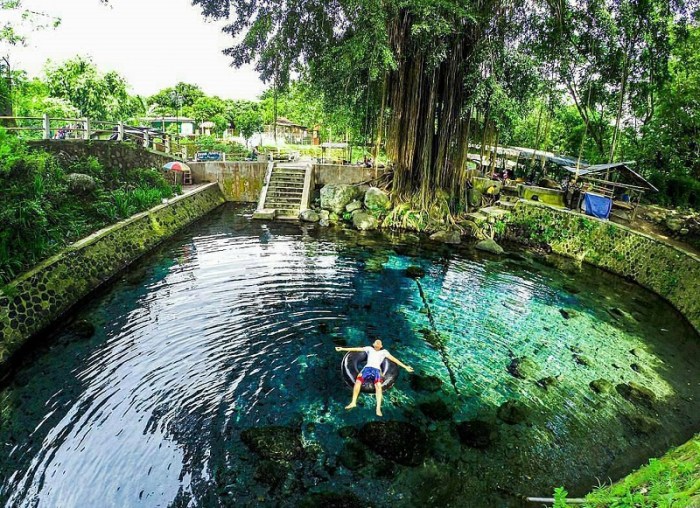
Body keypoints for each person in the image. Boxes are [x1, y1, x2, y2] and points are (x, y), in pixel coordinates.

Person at [335, 340, 413, 416]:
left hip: (377, 370)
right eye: (376, 342)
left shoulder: (384, 352)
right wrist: (342, 349)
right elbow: (356, 349)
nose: (378, 343)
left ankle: (378, 408)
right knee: (358, 382)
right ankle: (353, 402)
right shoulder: (369, 349)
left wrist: (405, 367)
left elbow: (394, 359)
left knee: (378, 386)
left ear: (381, 346)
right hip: (367, 368)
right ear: (373, 344)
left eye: (380, 342)